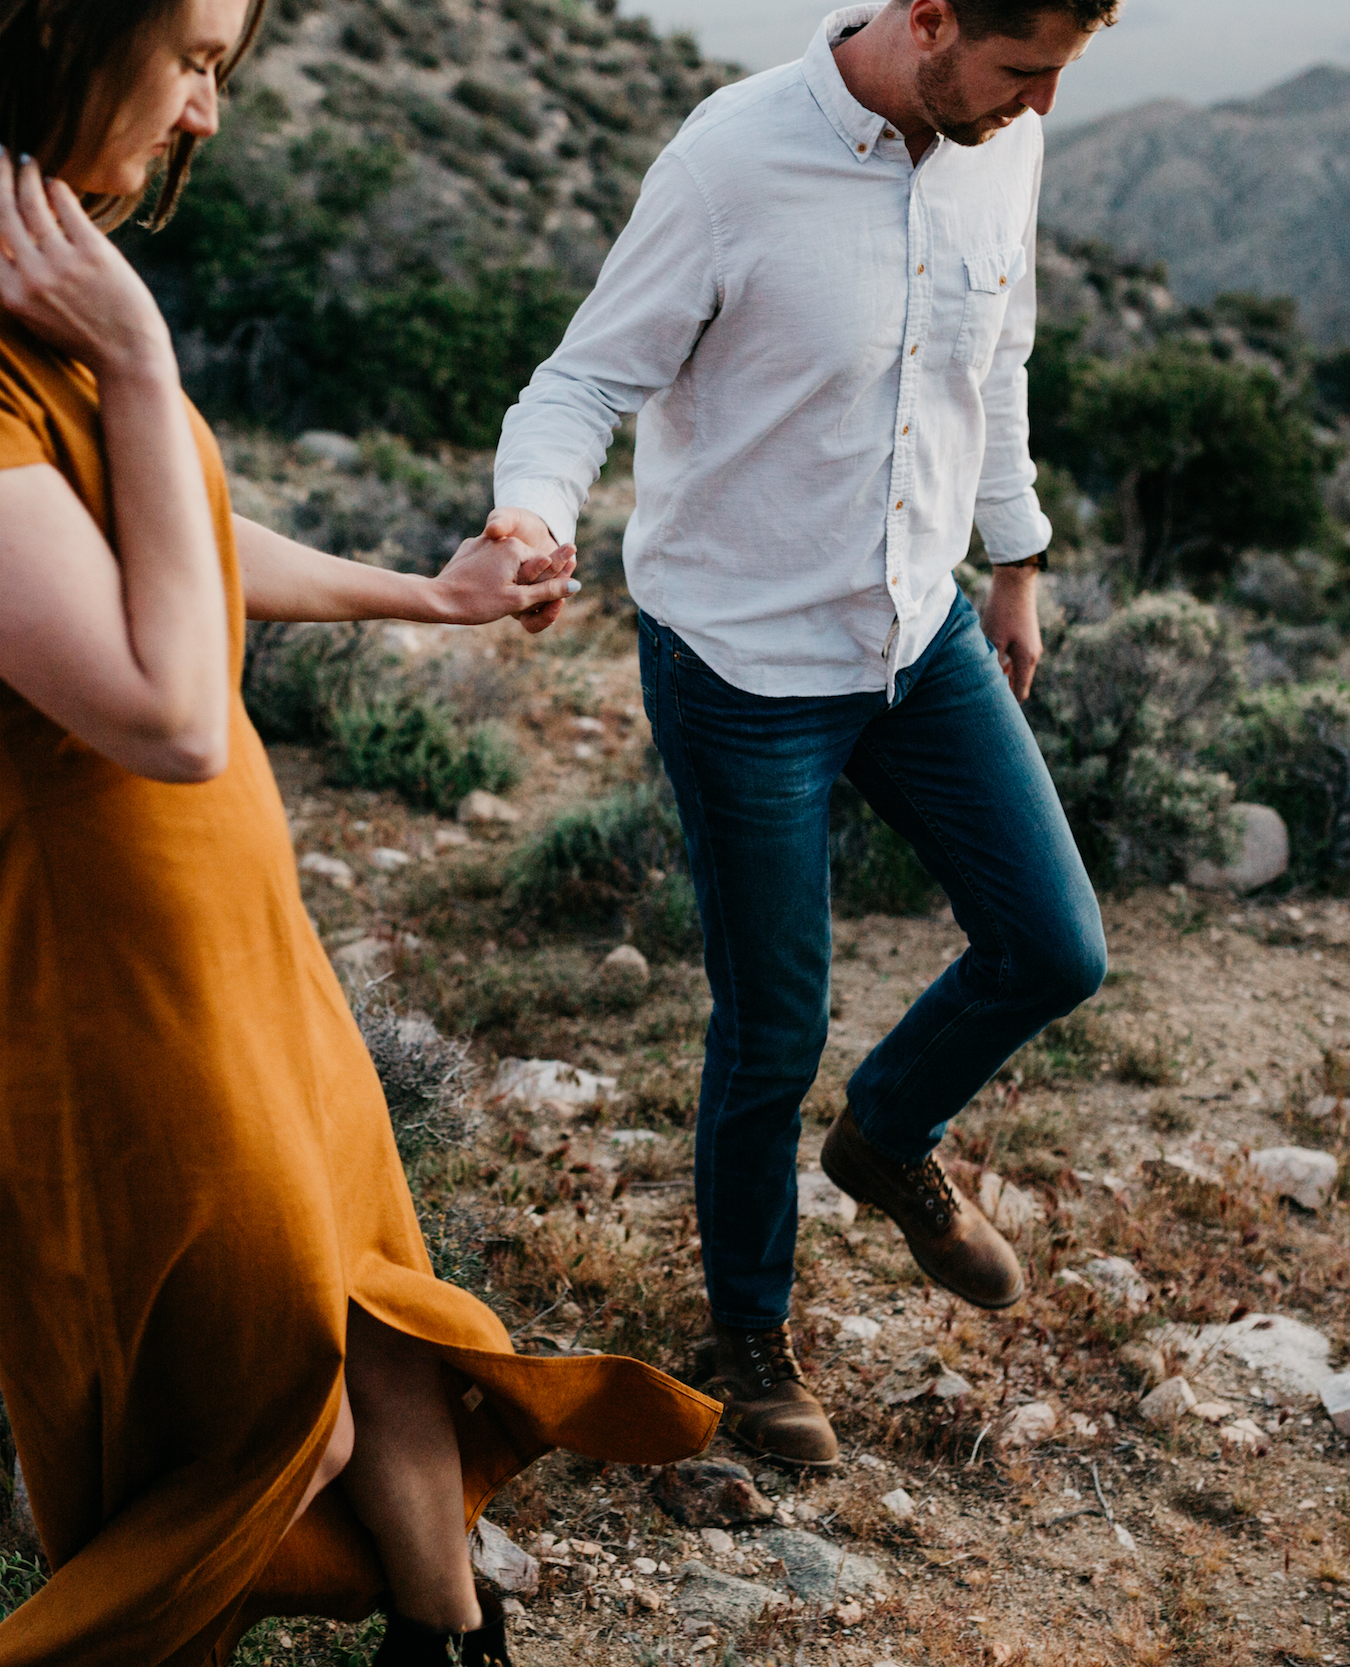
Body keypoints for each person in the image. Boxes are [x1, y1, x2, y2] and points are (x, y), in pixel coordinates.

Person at [0, 0, 721, 1660]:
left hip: (233, 898)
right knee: (265, 1393)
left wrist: (424, 595)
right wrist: (141, 358)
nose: (210, 111)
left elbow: (173, 533)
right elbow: (161, 706)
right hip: (109, 944)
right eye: (198, 56)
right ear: (55, 30)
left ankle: (448, 1639)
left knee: (373, 1307)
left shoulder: (30, 290)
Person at [479, 0, 1119, 1471]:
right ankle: (751, 1335)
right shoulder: (729, 160)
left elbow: (995, 350)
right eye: (1022, 72)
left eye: (1057, 82)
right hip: (744, 659)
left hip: (917, 627)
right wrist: (534, 514)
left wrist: (1013, 557)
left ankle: (886, 1139)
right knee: (773, 1025)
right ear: (932, 17)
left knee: (1054, 947)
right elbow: (583, 380)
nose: (1034, 109)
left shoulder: (998, 137)